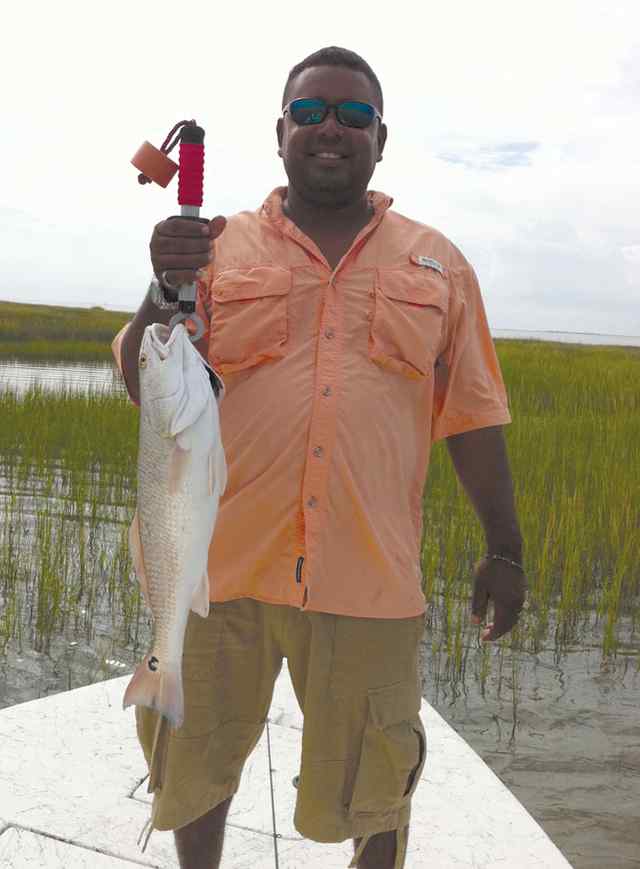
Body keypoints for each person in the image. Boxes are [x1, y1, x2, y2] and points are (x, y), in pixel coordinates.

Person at [112, 46, 527, 869]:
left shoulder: (438, 263)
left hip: (367, 576)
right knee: (194, 761)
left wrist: (505, 547)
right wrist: (164, 286)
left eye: (351, 114)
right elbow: (142, 376)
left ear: (382, 135)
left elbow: (473, 415)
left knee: (377, 781)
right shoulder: (216, 247)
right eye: (309, 113)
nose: (329, 128)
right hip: (217, 567)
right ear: (279, 134)